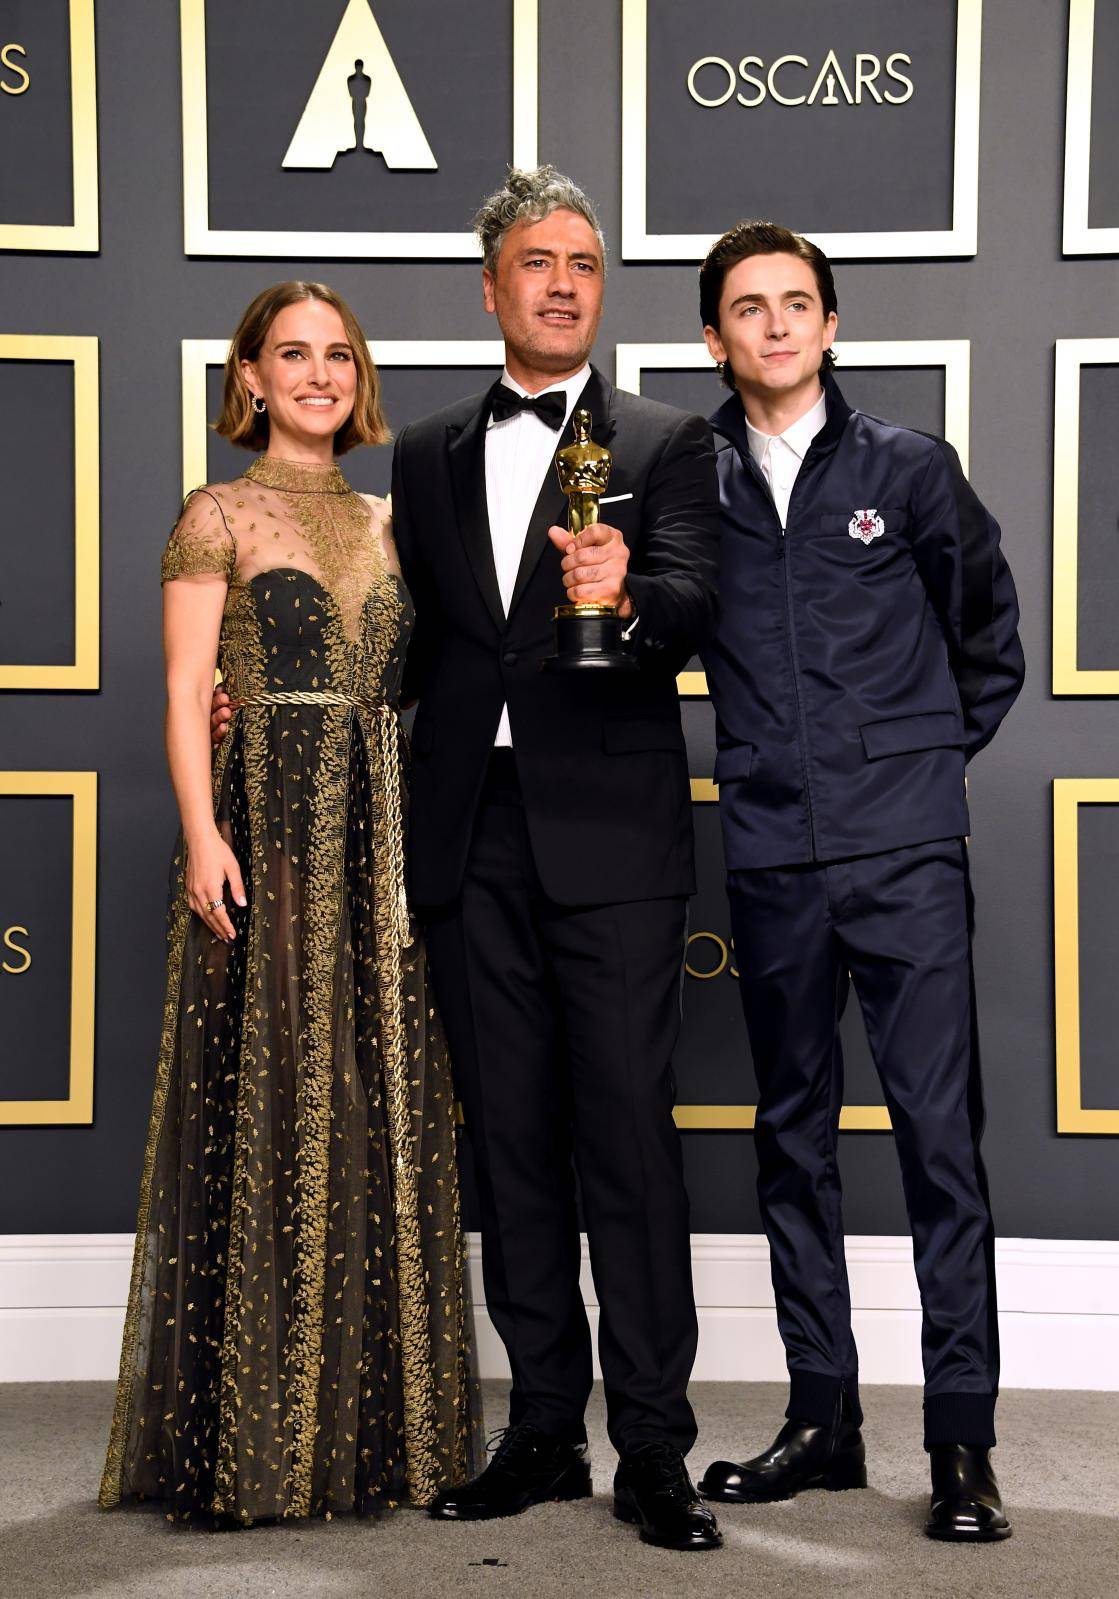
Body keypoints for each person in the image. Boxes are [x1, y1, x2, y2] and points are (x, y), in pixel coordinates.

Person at [100, 281, 480, 1525]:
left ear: (358, 378)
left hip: (384, 835)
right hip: (264, 823)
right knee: (267, 1098)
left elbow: (430, 673)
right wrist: (204, 831)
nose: (318, 373)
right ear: (250, 377)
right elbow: (182, 687)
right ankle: (256, 1443)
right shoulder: (216, 512)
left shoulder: (392, 514)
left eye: (339, 355)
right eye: (291, 354)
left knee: (378, 1098)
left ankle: (374, 1438)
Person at [694, 221, 1024, 1543]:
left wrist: (911, 761)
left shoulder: (909, 468)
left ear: (828, 325)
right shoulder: (684, 481)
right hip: (770, 855)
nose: (772, 325)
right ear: (711, 339)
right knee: (792, 1142)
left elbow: (984, 638)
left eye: (794, 303)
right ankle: (821, 1419)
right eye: (745, 308)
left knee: (940, 1147)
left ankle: (960, 1443)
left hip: (903, 859)